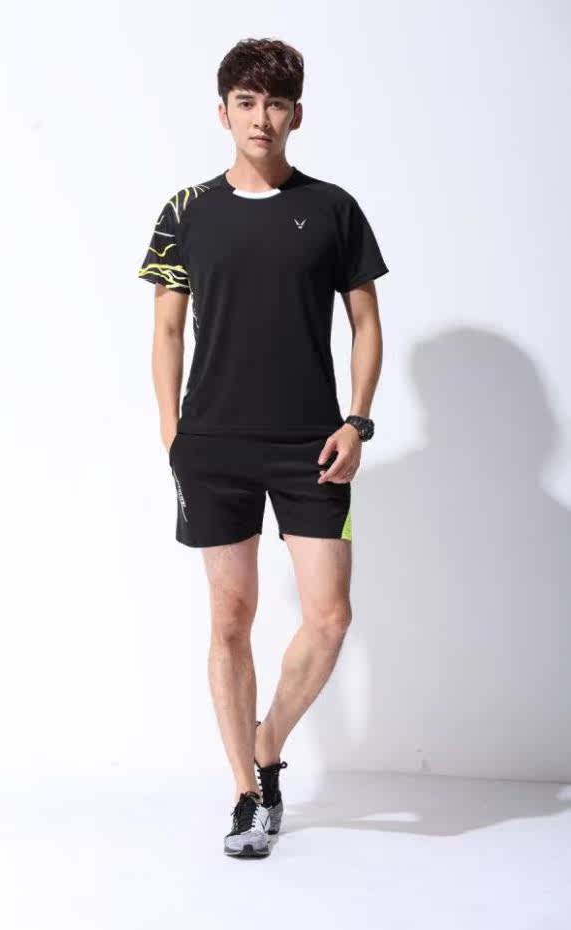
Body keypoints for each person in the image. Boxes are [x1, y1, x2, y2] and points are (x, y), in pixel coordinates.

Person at [137, 37, 388, 858]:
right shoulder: (185, 211)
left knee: (330, 616)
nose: (261, 118)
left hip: (313, 445)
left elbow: (365, 324)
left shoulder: (334, 208)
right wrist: (173, 434)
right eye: (246, 102)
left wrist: (356, 422)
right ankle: (247, 795)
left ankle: (266, 741)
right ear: (223, 113)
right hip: (212, 444)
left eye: (275, 104)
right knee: (230, 617)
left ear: (296, 115)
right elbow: (166, 332)